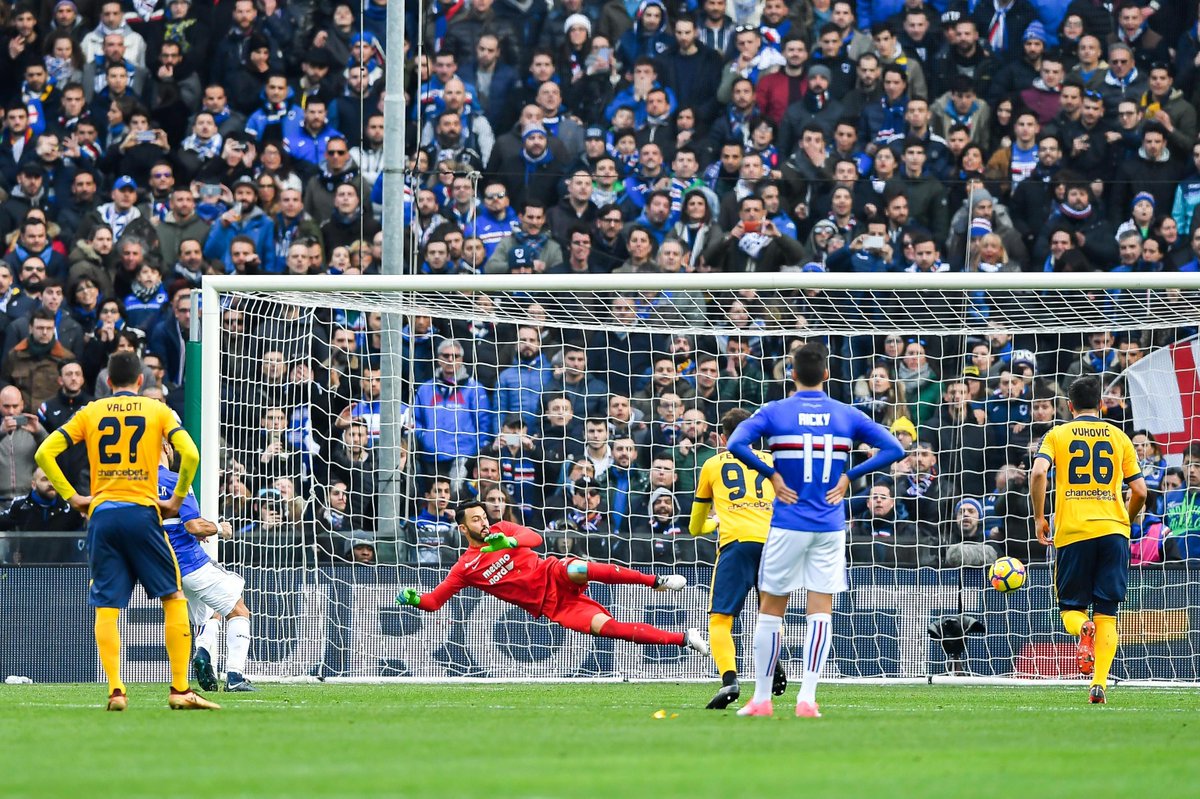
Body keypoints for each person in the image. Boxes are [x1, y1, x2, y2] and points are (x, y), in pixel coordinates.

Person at [33, 350, 218, 710]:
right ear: (140, 381)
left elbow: (43, 453)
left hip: (102, 514)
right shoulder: (157, 411)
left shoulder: (90, 412)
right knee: (173, 597)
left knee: (107, 604)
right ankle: (180, 690)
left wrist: (74, 498)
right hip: (142, 512)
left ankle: (116, 690)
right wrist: (176, 499)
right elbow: (191, 454)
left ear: (106, 382)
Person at [727, 342, 905, 717]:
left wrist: (772, 474)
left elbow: (735, 442)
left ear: (791, 375)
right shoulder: (846, 414)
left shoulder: (775, 412)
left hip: (788, 521)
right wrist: (849, 476)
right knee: (820, 610)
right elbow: (893, 449)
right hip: (829, 524)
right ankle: (807, 697)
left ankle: (761, 699)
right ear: (827, 374)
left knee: (771, 611)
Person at [396, 501, 710, 655]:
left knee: (579, 567)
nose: (483, 522)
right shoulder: (465, 568)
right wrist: (414, 600)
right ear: (463, 528)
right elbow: (434, 601)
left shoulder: (503, 530)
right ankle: (685, 639)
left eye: (483, 516)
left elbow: (534, 538)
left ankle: (655, 581)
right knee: (610, 629)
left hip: (554, 573)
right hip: (554, 606)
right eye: (475, 519)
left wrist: (511, 541)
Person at [1030, 375, 1147, 706]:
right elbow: (1140, 491)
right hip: (1113, 532)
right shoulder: (1119, 436)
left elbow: (1038, 473)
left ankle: (1083, 629)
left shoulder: (1057, 434)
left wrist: (1040, 518)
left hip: (1073, 531)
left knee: (1071, 610)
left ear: (1069, 406)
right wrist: (1125, 517)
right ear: (1101, 405)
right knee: (1107, 614)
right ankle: (1099, 685)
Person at [690, 408, 786, 710]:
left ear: (721, 437)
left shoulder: (712, 464)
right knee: (769, 616)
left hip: (735, 545)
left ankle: (729, 680)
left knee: (720, 618)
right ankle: (773, 663)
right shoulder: (773, 462)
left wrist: (716, 522)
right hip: (772, 545)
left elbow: (695, 527)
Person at [157, 441, 255, 692]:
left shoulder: (132, 486)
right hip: (191, 564)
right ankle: (235, 676)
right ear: (167, 448)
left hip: (162, 569)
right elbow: (194, 525)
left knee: (210, 614)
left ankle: (202, 653)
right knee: (238, 610)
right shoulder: (174, 480)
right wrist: (219, 528)